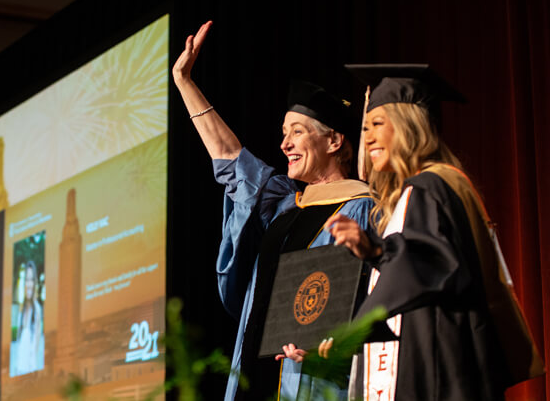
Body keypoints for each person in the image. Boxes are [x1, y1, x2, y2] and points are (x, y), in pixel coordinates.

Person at [173, 21, 374, 401]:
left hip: (317, 377)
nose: (284, 144)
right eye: (284, 133)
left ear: (333, 140)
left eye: (297, 132)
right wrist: (184, 81)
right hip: (254, 372)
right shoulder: (285, 203)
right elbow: (231, 160)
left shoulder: (364, 209)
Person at [311, 65, 539, 400]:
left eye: (377, 124)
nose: (368, 137)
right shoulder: (443, 183)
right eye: (364, 127)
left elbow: (428, 262)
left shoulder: (429, 186)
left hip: (435, 365)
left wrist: (376, 254)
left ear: (407, 124)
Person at [14, 260, 44, 375]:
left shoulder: (37, 309)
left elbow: (34, 351)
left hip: (29, 372)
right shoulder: (21, 310)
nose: (29, 284)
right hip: (18, 371)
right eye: (26, 280)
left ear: (35, 282)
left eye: (31, 280)